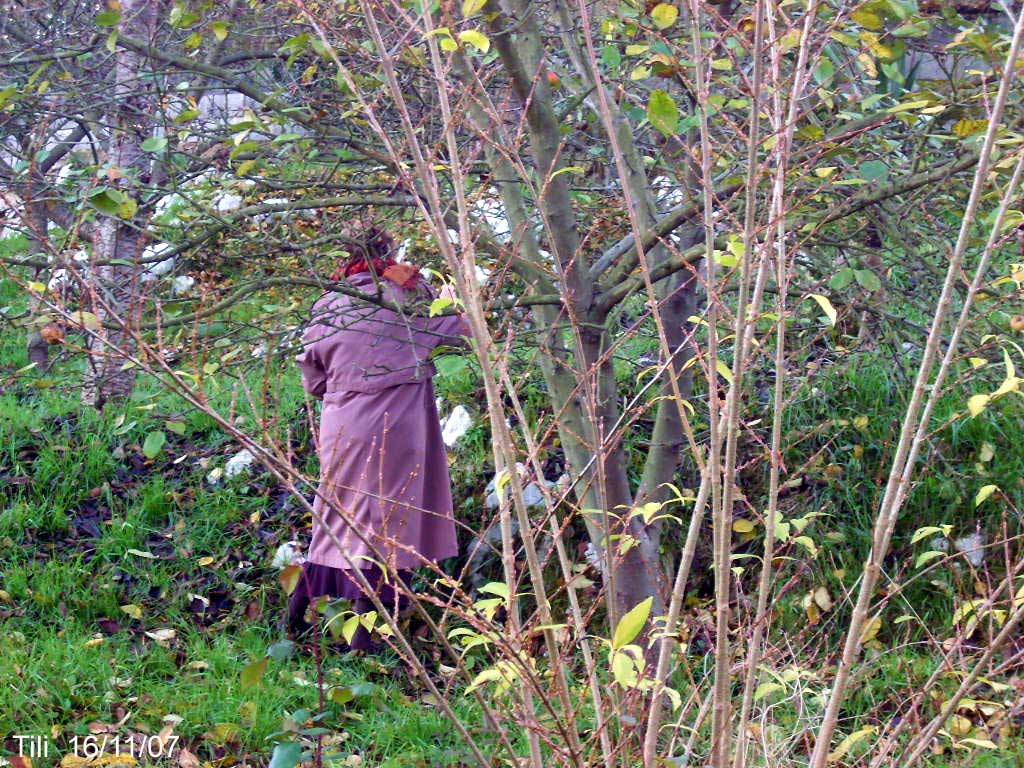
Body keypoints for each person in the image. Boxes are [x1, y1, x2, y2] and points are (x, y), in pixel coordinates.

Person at [286, 225, 472, 651]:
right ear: (388, 250)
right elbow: (459, 333)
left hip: (342, 425)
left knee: (338, 518)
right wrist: (446, 296)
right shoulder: (411, 295)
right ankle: (364, 643)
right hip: (399, 425)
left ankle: (294, 619)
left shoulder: (330, 303)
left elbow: (313, 378)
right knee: (389, 528)